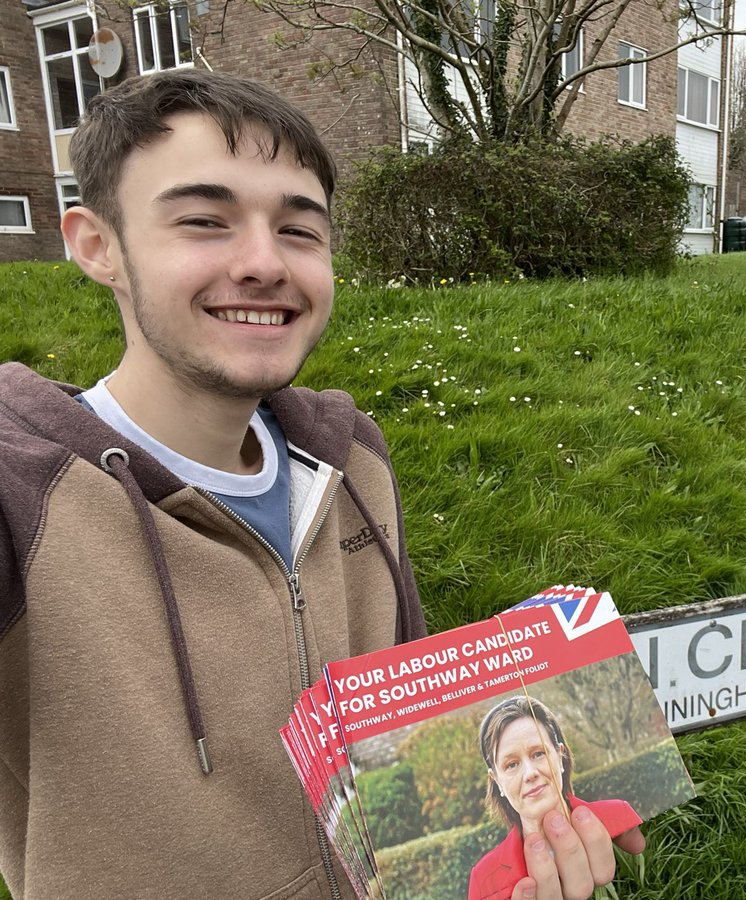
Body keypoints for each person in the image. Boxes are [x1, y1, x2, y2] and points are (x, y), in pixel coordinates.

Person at [0, 69, 630, 900]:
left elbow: (403, 773)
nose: (264, 264)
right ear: (95, 245)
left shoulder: (353, 459)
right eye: (203, 221)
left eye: (299, 229)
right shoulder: (22, 497)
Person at [469, 696, 643, 900]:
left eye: (538, 753)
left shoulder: (620, 815)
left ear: (560, 756)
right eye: (512, 765)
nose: (530, 773)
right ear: (497, 781)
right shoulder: (483, 879)